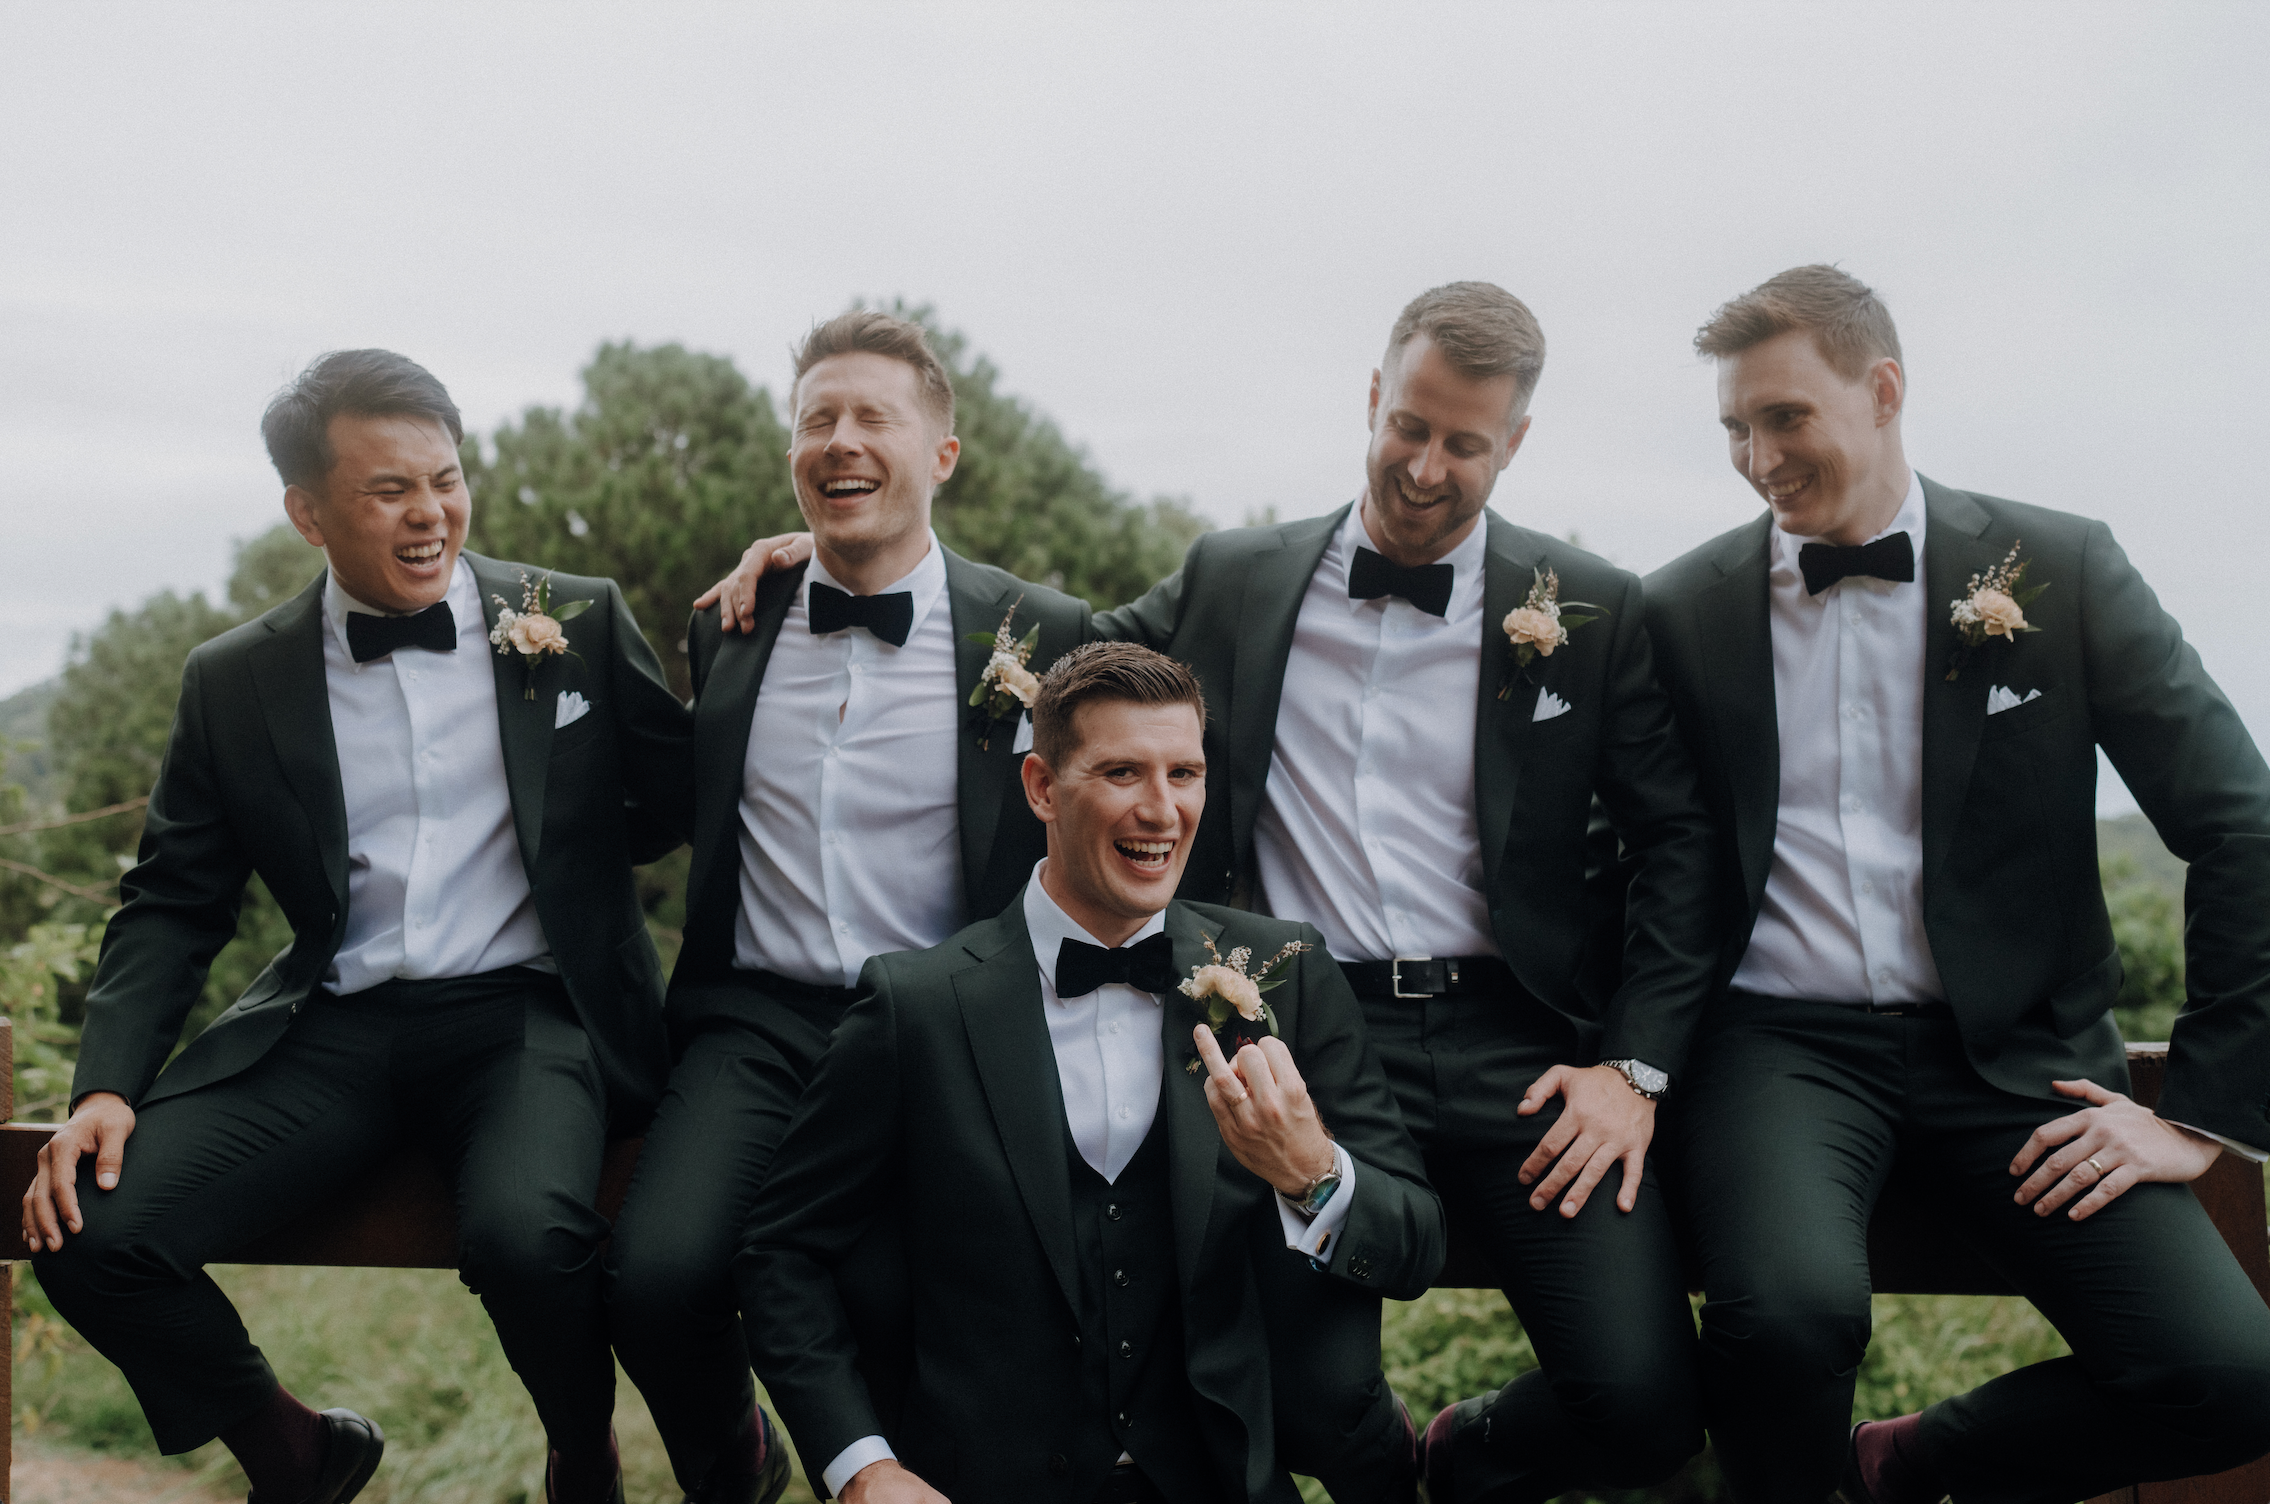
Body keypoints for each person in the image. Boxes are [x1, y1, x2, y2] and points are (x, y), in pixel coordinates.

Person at [704, 283, 1719, 1502]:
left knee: (1647, 1399)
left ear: (1513, 442)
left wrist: (1635, 1066)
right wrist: (828, 555)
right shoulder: (1236, 575)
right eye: (1408, 425)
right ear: (1371, 401)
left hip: (1515, 1044)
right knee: (1304, 1399)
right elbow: (1049, 668)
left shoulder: (1589, 609)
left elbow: (1680, 848)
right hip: (1276, 1022)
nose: (1424, 465)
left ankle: (1465, 1454)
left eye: (1463, 442)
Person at [1641, 264, 2270, 1502]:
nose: (1756, 457)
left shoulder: (2062, 568)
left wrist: (2194, 1111)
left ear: (1880, 391)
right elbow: (1625, 857)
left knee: (2227, 1374)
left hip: (2027, 1062)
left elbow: (2239, 825)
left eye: (1782, 417)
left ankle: (1914, 1462)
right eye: (1732, 427)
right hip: (1778, 1048)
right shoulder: (1676, 607)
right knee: (1784, 1321)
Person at [23, 349, 694, 1504]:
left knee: (529, 1240)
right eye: (390, 490)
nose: (431, 512)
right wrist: (103, 1085)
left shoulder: (571, 619)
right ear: (309, 511)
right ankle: (296, 1449)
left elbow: (685, 795)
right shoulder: (234, 680)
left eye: (445, 477)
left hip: (528, 1015)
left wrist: (576, 858)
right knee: (91, 1232)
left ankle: (582, 1452)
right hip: (333, 1025)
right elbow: (178, 896)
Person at [738, 641, 1443, 1504]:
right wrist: (863, 1468)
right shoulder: (915, 1006)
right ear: (1041, 787)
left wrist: (1313, 1175)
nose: (1162, 810)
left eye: (1184, 774)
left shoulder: (1285, 974)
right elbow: (781, 1253)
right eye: (1121, 773)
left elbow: (1414, 1242)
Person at [605, 308, 1092, 1503]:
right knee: (656, 1275)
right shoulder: (732, 618)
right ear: (791, 459)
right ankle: (733, 1459)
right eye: (816, 419)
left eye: (874, 416)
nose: (840, 440)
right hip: (754, 1020)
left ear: (942, 455)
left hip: (938, 1027)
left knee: (900, 1302)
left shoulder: (1044, 636)